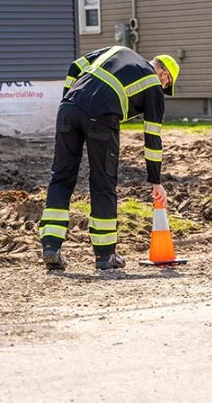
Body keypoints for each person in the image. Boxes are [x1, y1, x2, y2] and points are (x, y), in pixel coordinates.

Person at [38, 46, 180, 271]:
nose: (163, 89)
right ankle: (105, 255)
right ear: (165, 76)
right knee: (103, 182)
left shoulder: (117, 50)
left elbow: (75, 66)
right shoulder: (153, 84)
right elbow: (152, 137)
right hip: (102, 115)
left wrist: (68, 98)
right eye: (166, 86)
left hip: (68, 107)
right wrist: (156, 181)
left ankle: (50, 246)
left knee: (61, 177)